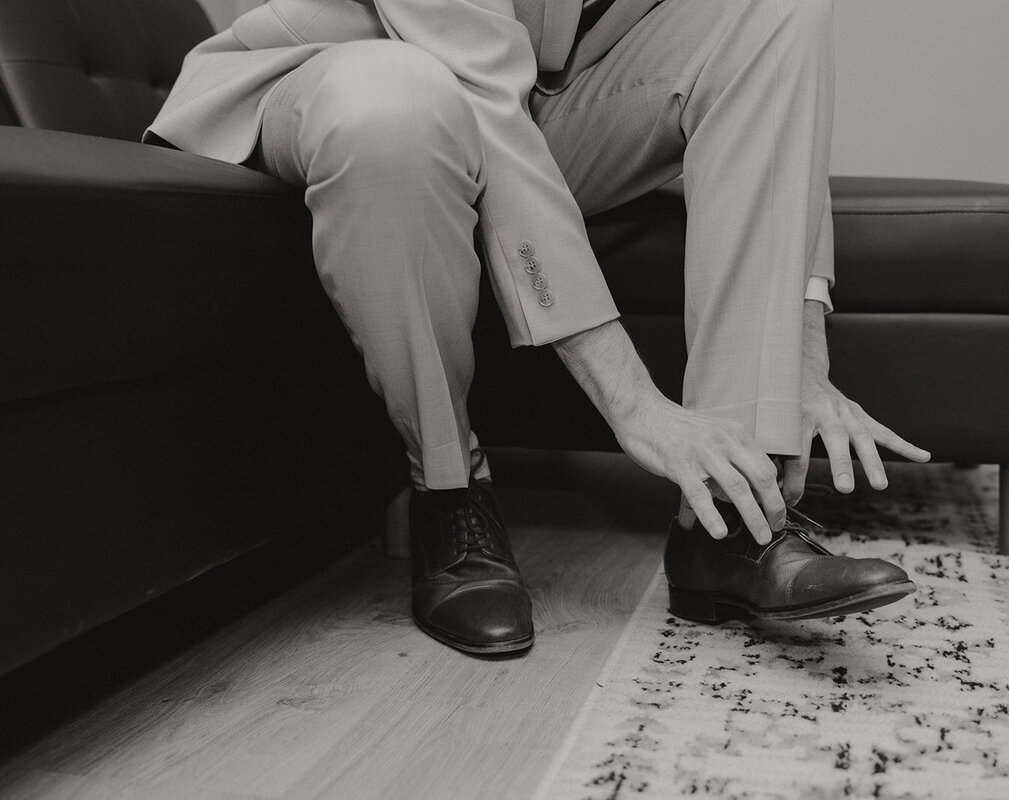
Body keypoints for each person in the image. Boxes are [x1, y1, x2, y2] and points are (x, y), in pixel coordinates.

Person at [147, 0, 931, 656]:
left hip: (531, 97)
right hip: (356, 76)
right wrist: (635, 405)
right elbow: (480, 96)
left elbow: (781, 104)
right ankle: (449, 492)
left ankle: (728, 523)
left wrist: (798, 353)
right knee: (400, 101)